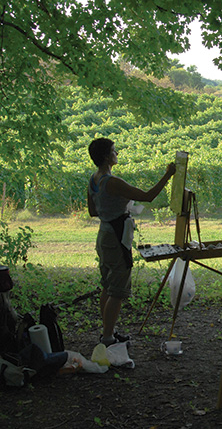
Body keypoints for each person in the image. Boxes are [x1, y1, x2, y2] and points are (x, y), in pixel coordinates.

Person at [88, 138, 176, 346]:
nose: (116, 153)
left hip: (103, 234)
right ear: (106, 156)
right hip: (117, 238)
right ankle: (108, 338)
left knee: (107, 286)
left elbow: (92, 211)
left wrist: (111, 208)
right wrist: (168, 174)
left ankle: (108, 330)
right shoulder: (112, 182)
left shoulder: (93, 179)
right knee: (117, 291)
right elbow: (148, 196)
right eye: (113, 150)